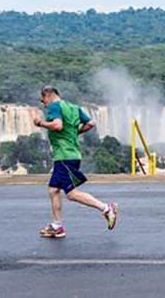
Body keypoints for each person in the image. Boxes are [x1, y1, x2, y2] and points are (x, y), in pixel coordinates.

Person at [33, 85, 118, 238]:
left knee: (71, 194)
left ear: (47, 95)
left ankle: (106, 208)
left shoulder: (54, 106)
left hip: (65, 156)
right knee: (53, 190)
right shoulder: (74, 107)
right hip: (71, 154)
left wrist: (41, 123)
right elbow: (91, 123)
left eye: (42, 100)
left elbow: (57, 125)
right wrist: (74, 132)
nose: (43, 104)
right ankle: (57, 226)